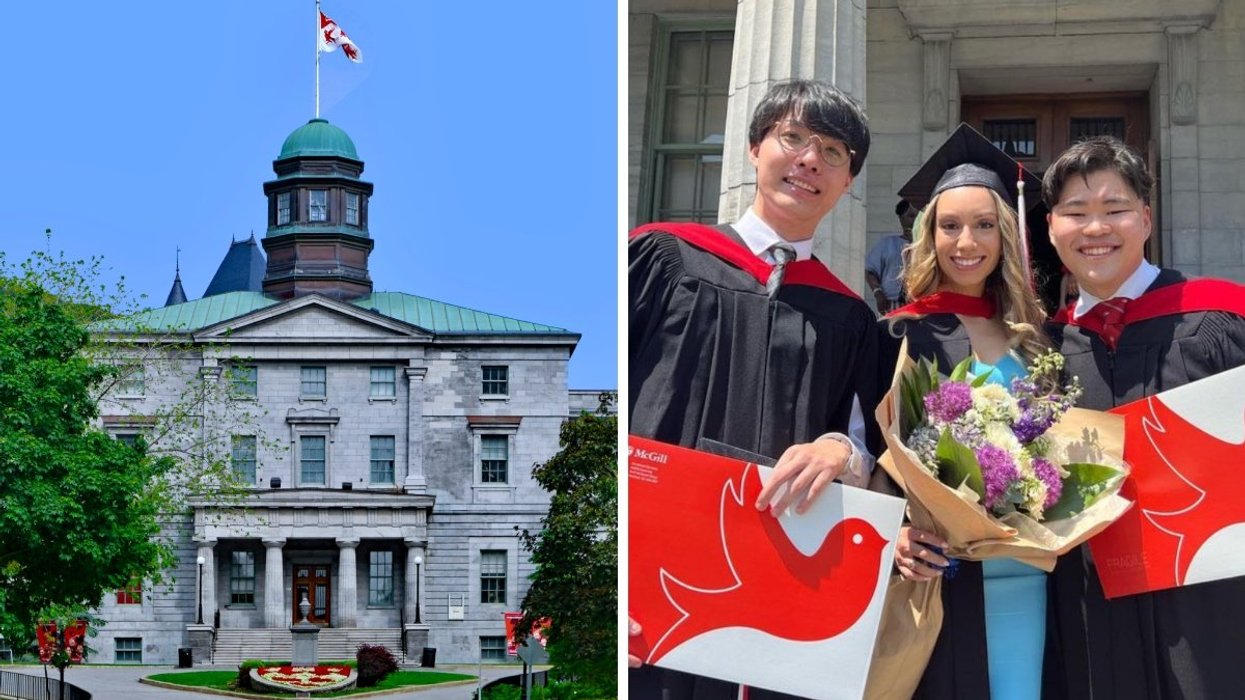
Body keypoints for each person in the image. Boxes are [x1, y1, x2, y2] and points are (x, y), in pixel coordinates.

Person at [628, 79, 879, 700]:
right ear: (753, 148)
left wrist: (841, 453)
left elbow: (868, 445)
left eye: (834, 153)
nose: (810, 160)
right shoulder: (662, 258)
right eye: (792, 137)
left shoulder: (848, 318)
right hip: (645, 575)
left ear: (848, 182)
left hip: (764, 598)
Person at [1041, 137, 1245, 700]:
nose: (1095, 228)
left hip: (1212, 595)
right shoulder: (1045, 349)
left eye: (1115, 210)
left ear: (1147, 218)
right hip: (1090, 600)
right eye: (1076, 213)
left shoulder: (1219, 318)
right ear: (1053, 226)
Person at [880, 123, 1051, 700]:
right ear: (929, 233)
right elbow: (877, 464)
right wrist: (895, 537)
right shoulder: (903, 336)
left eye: (983, 225)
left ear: (1006, 234)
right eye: (949, 226)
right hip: (940, 576)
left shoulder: (1037, 339)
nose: (966, 242)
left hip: (1030, 576)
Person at [866, 200, 917, 313]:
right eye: (911, 216)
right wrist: (878, 294)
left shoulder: (929, 246)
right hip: (891, 305)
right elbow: (870, 271)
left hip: (920, 307)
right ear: (901, 218)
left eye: (919, 216)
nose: (915, 220)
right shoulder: (887, 243)